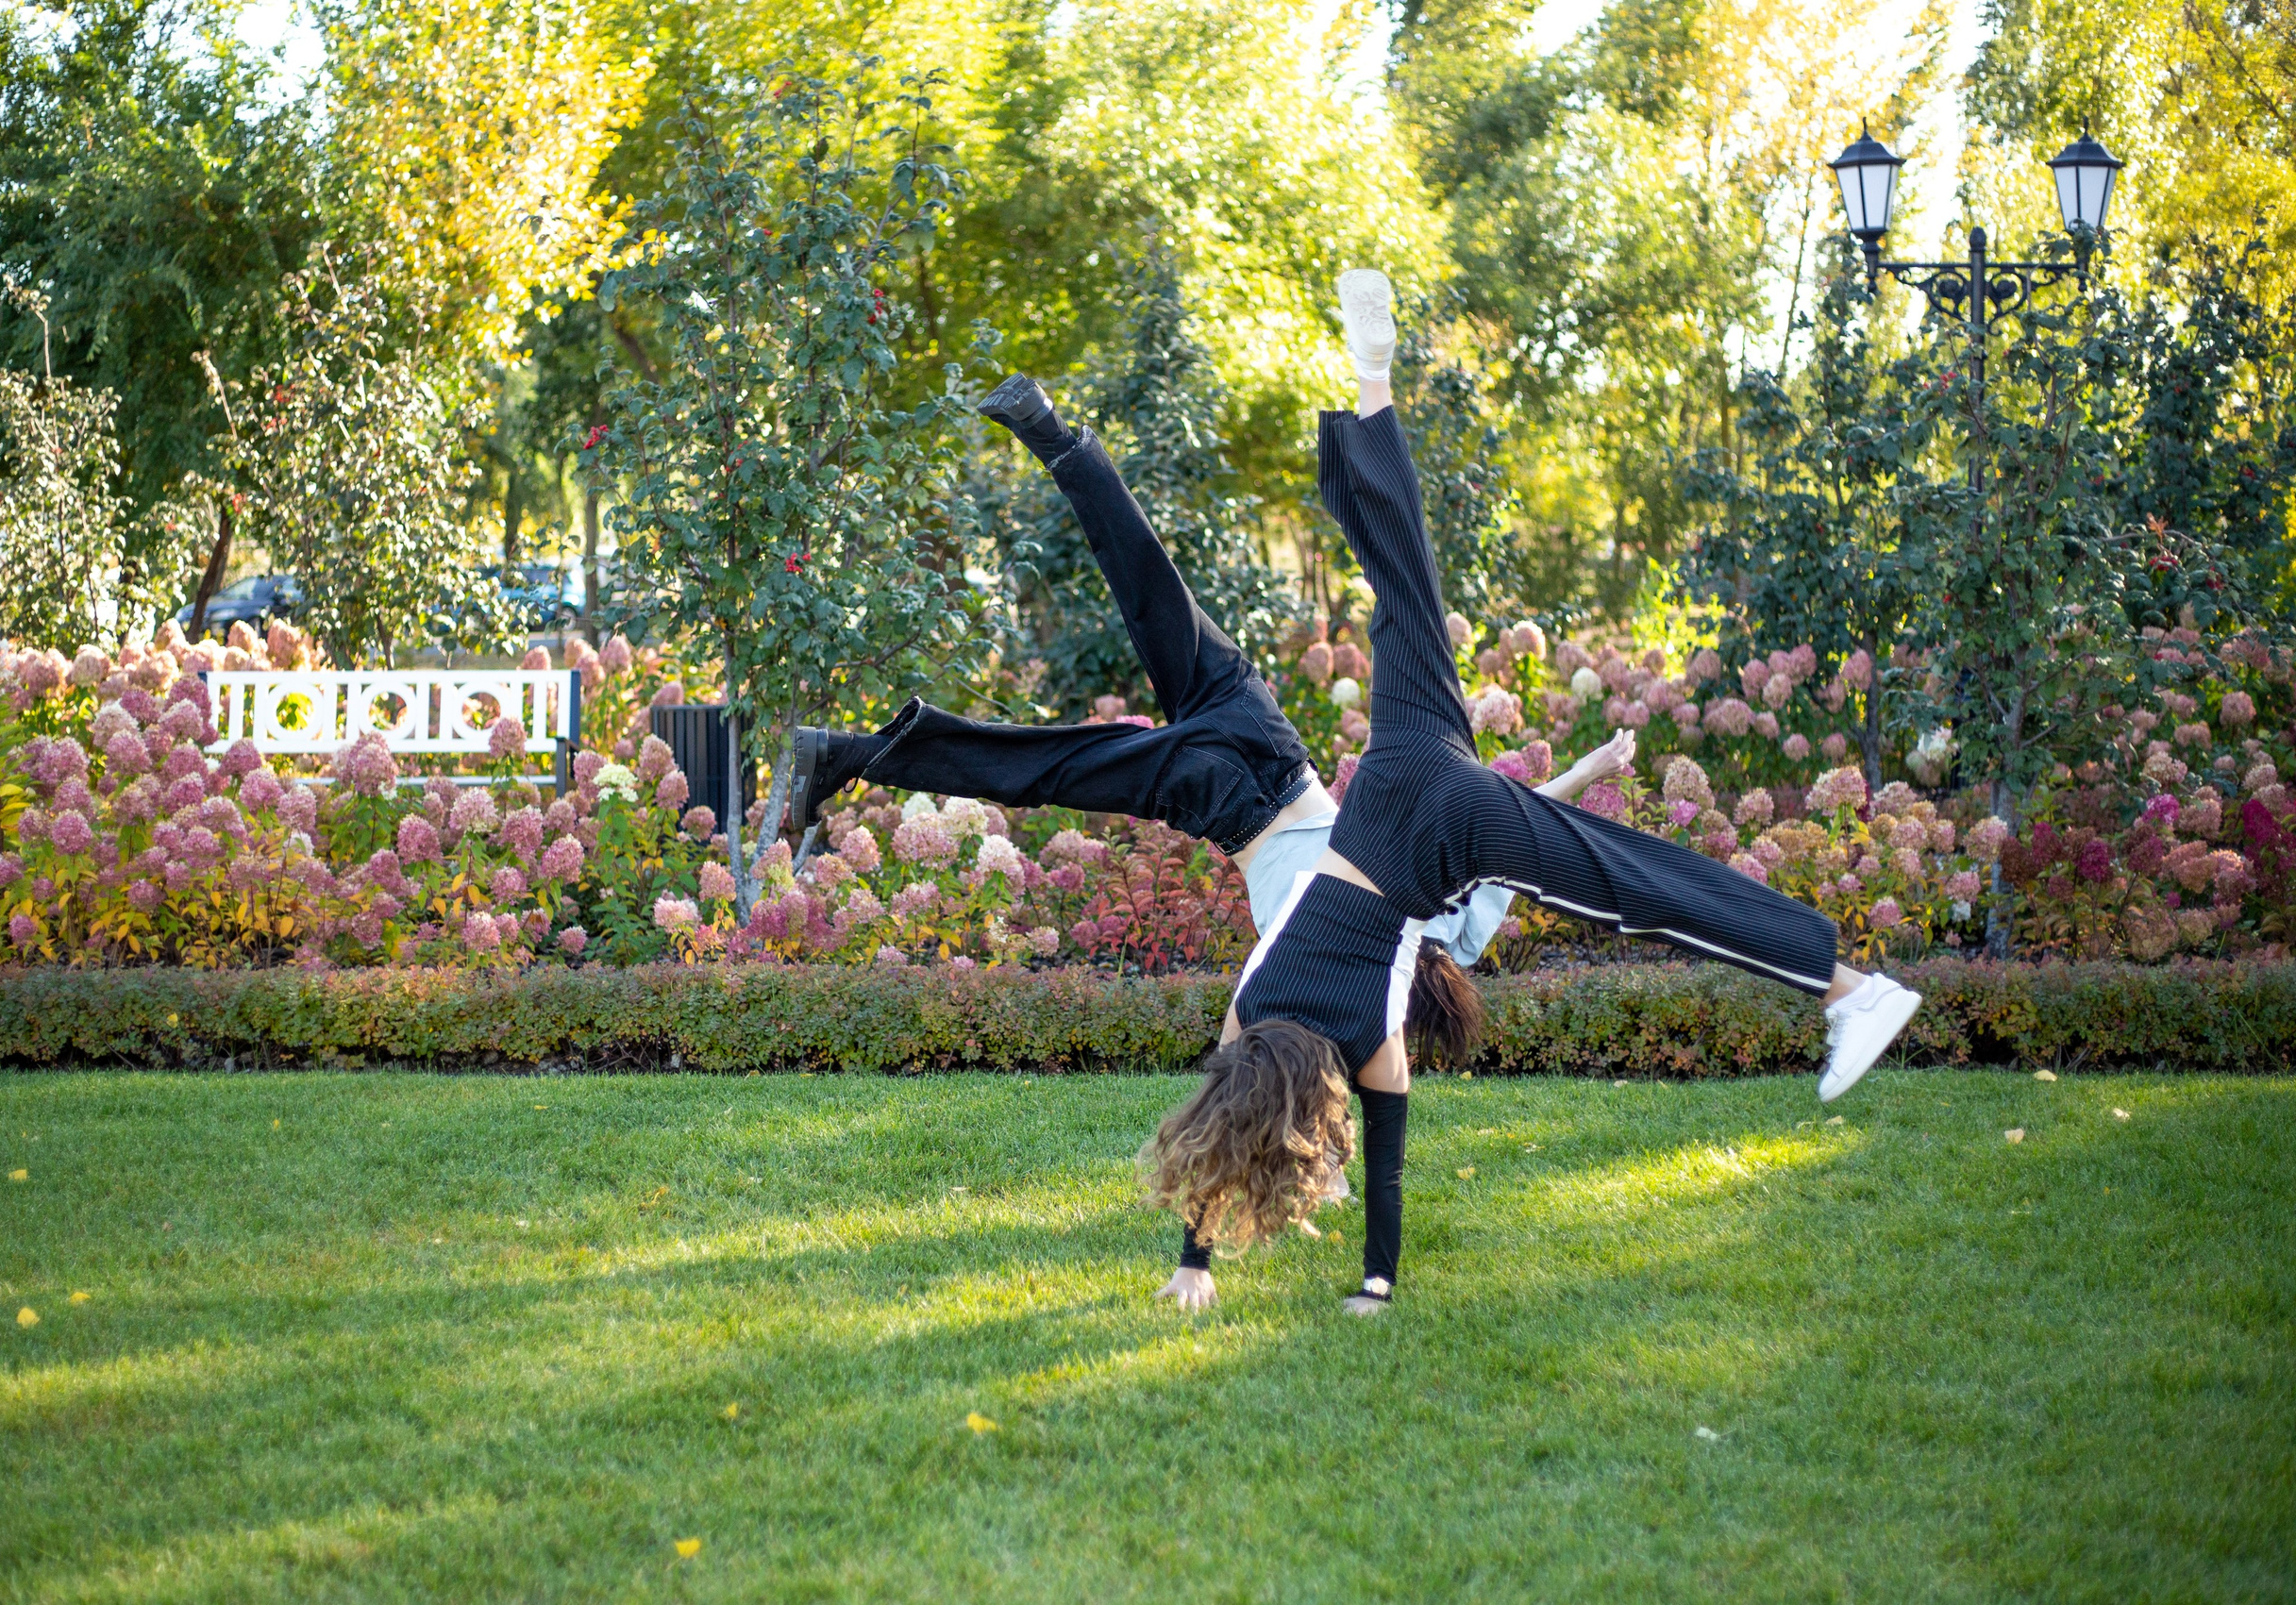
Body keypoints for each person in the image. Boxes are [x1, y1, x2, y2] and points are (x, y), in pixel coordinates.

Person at [1143, 269, 1925, 1316]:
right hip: (1400, 767)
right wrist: (1200, 1254)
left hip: (1444, 837)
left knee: (1636, 886)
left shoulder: (1370, 1044)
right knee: (1404, 581)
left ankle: (1852, 992)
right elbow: (1226, 1103)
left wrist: (1357, 1284)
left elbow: (1381, 1169)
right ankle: (1372, 375)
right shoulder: (1249, 1009)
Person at [784, 366, 1630, 1312]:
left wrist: (1590, 769)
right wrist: (1211, 1256)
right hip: (1232, 803)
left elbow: (1512, 825)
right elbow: (1238, 1110)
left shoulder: (1434, 929)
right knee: (1056, 767)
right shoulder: (1285, 1000)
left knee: (1154, 591)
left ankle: (1053, 431)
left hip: (1273, 744)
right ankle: (847, 754)